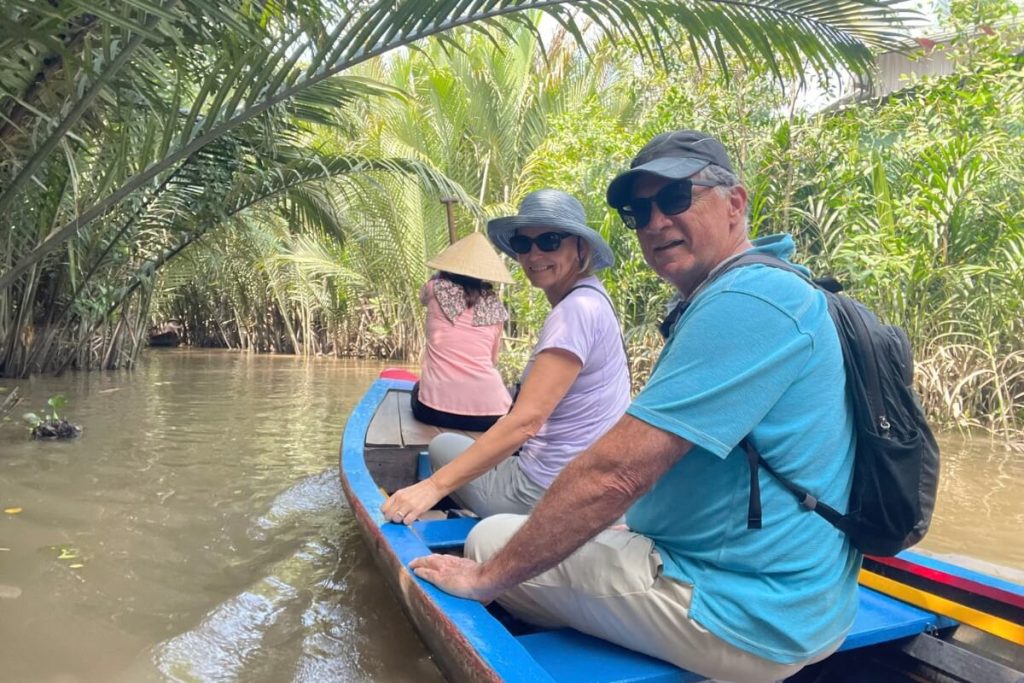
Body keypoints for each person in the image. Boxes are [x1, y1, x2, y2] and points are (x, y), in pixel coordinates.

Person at [409, 131, 859, 683]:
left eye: (674, 198)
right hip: (793, 597)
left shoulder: (745, 303)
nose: (654, 222)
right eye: (637, 210)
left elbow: (614, 475)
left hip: (749, 613)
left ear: (735, 203)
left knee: (488, 542)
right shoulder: (777, 287)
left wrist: (484, 580)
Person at [382, 189, 631, 524]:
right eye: (523, 243)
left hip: (547, 492)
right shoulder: (595, 298)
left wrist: (431, 487)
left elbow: (526, 422)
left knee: (442, 448)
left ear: (580, 248)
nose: (534, 254)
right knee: (467, 445)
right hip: (584, 480)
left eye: (550, 241)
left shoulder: (573, 312)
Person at [411, 232, 514, 431]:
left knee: (417, 389)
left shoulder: (434, 288)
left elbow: (422, 298)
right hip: (492, 413)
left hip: (434, 409)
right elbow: (492, 361)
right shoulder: (496, 308)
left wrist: (440, 276)